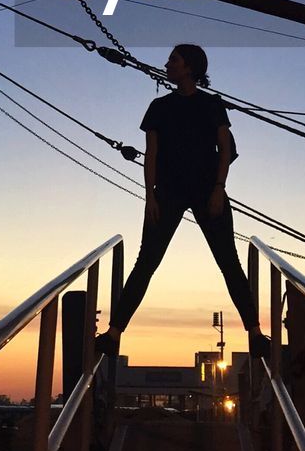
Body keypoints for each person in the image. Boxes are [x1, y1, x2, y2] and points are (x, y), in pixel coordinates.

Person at [95, 44, 270, 360]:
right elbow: (152, 155)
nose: (167, 63)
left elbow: (225, 150)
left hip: (207, 190)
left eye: (173, 59)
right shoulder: (159, 106)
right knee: (146, 262)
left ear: (189, 67)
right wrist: (149, 196)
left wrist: (219, 188)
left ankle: (255, 335)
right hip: (168, 193)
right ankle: (113, 333)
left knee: (228, 261)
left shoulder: (211, 104)